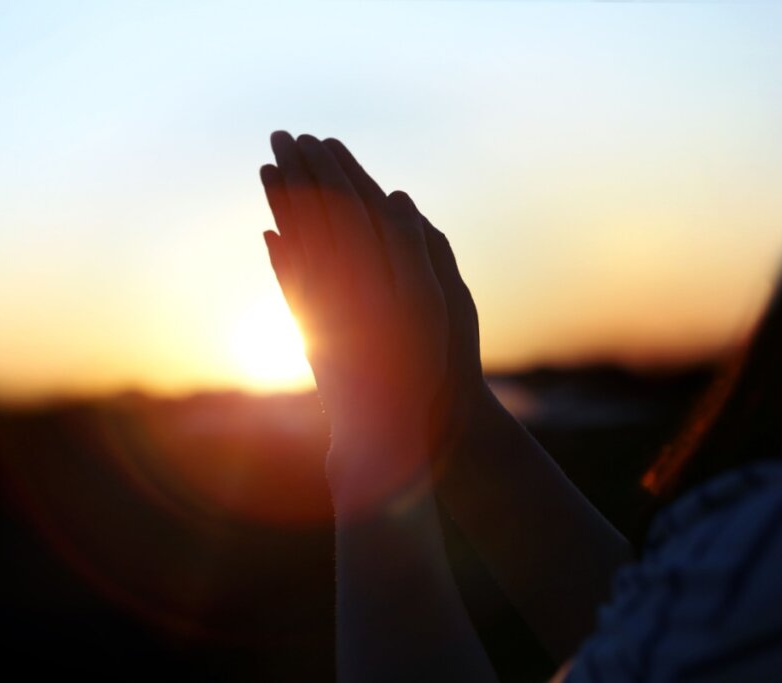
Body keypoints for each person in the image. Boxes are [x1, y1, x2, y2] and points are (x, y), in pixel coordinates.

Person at [258, 131, 782, 682]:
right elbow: (656, 633)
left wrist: (373, 447)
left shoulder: (762, 544)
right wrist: (457, 417)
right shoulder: (754, 565)